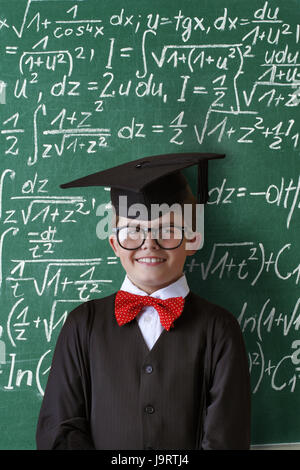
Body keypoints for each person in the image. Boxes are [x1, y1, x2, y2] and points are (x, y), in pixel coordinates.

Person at [36, 152, 251, 450]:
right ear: (114, 244)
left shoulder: (219, 329)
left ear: (192, 240)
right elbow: (60, 430)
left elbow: (226, 439)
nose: (149, 243)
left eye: (167, 230)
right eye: (133, 232)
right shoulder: (82, 325)